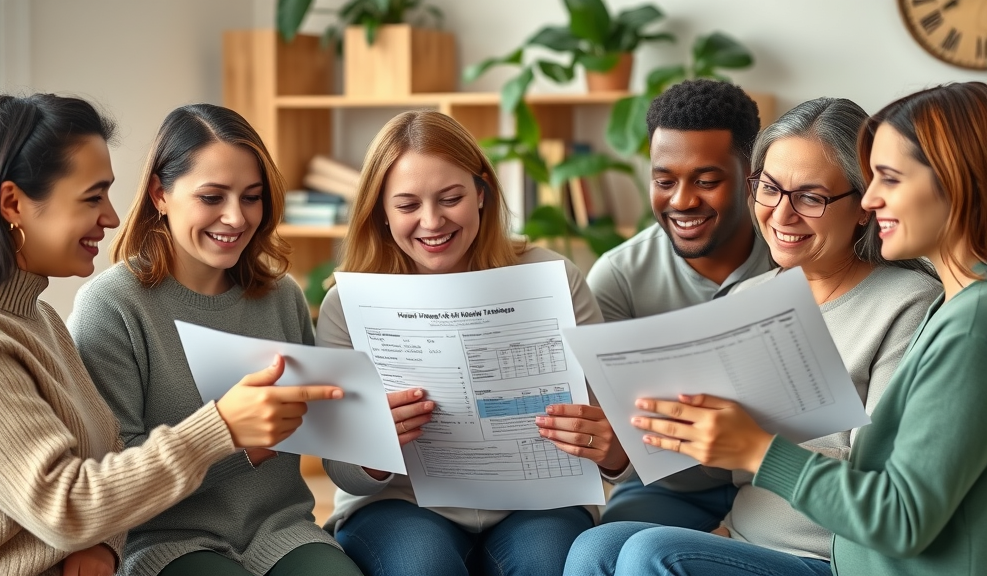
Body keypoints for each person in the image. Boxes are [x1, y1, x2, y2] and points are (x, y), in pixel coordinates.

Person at [590, 82, 987, 575]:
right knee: (598, 547)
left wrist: (755, 444)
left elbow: (887, 489)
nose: (780, 214)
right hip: (745, 535)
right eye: (770, 188)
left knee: (649, 554)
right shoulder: (750, 298)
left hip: (828, 554)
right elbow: (716, 467)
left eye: (811, 197)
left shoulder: (916, 306)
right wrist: (633, 445)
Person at [0, 94, 343, 576]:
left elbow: (104, 467)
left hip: (271, 531)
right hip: (164, 544)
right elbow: (68, 504)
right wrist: (224, 429)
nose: (112, 216)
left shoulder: (37, 320)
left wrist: (103, 545)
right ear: (13, 203)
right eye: (92, 196)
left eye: (252, 196)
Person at [315, 110, 625, 576]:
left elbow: (614, 443)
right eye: (406, 205)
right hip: (402, 502)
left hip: (537, 498)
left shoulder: (555, 278)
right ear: (380, 209)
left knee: (547, 564)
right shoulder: (348, 303)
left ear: (482, 193)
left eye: (450, 198)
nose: (431, 221)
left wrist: (610, 447)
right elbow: (343, 470)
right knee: (422, 568)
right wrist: (375, 448)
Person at [67, 104, 362, 576]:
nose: (235, 217)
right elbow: (112, 470)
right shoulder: (111, 306)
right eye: (212, 197)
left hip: (283, 530)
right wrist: (238, 446)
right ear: (160, 194)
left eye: (251, 196)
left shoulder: (282, 296)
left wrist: (371, 428)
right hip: (166, 540)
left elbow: (324, 430)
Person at [588, 79, 773, 528]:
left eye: (707, 181)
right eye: (664, 181)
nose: (682, 201)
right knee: (598, 552)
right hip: (670, 489)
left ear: (752, 175)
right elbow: (612, 440)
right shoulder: (617, 278)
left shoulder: (793, 253)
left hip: (775, 483)